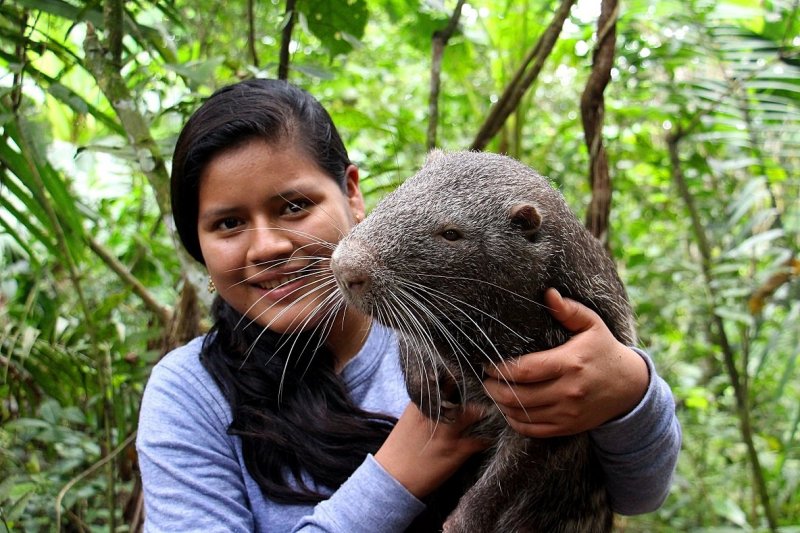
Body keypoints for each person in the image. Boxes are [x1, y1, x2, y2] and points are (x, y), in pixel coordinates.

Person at [136, 78, 681, 532]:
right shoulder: (189, 394)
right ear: (199, 246)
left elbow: (637, 492)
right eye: (227, 224)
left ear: (352, 193)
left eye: (295, 206)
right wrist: (402, 468)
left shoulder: (459, 306)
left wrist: (630, 389)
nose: (268, 246)